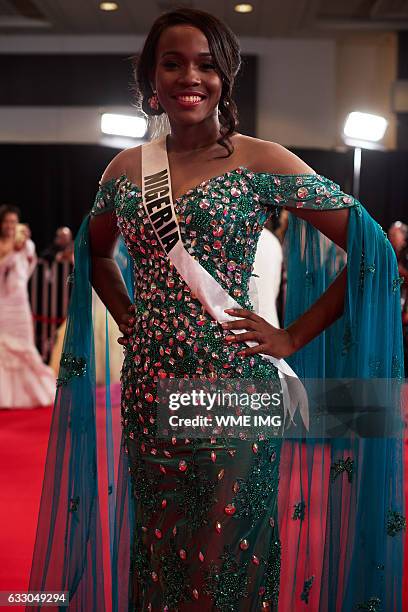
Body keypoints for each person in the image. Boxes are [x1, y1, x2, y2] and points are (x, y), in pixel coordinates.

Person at [29, 9, 404, 612]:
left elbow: (373, 251)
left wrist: (291, 338)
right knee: (162, 555)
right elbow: (95, 258)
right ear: (151, 78)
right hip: (150, 391)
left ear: (226, 78)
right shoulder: (126, 171)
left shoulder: (261, 160)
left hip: (232, 390)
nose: (190, 77)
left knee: (223, 562)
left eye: (206, 64)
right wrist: (133, 322)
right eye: (172, 63)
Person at [0, 205, 55, 408]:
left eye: (13, 222)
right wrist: (10, 256)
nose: (10, 226)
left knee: (24, 345)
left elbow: (27, 271)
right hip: (2, 303)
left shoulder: (27, 245)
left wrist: (21, 250)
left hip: (19, 302)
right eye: (6, 222)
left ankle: (31, 393)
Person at [388, 221, 408, 375]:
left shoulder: (404, 255)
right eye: (390, 234)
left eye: (395, 234)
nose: (390, 237)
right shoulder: (392, 253)